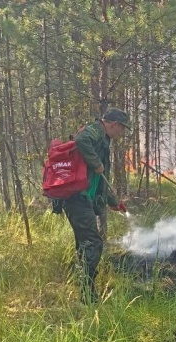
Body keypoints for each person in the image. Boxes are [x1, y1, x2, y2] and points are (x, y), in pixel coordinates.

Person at [62, 107, 129, 303]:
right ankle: (87, 295)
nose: (121, 133)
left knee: (85, 244)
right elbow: (81, 141)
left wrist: (113, 202)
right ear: (113, 124)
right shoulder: (95, 131)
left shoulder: (103, 139)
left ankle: (85, 289)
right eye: (121, 128)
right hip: (77, 199)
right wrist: (96, 163)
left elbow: (100, 181)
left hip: (85, 198)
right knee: (93, 243)